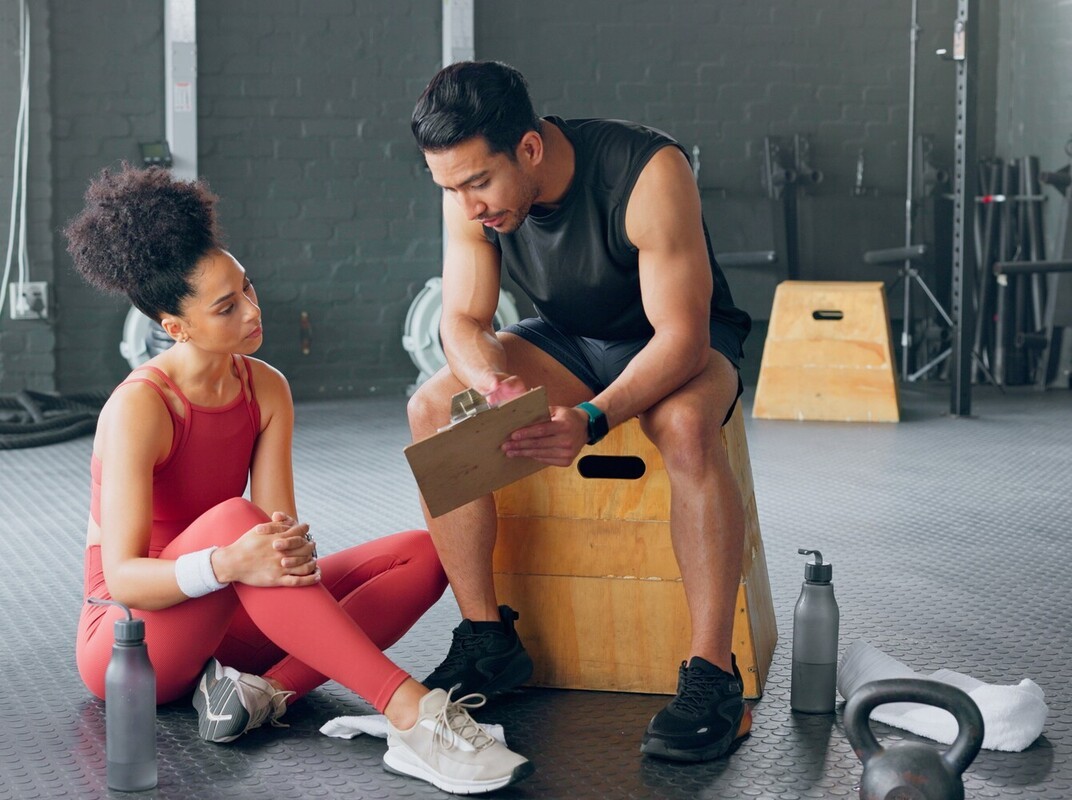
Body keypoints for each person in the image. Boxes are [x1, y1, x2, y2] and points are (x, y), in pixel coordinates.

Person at [66, 164, 533, 795]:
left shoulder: (266, 388)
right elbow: (124, 577)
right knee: (237, 521)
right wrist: (232, 560)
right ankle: (412, 715)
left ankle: (261, 696)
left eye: (249, 290)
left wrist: (275, 553)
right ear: (175, 327)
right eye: (228, 307)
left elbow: (277, 531)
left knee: (426, 554)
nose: (254, 312)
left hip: (228, 615)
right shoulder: (140, 407)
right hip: (132, 641)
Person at [408, 61, 754, 763]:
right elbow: (464, 319)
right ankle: (487, 640)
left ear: (529, 149)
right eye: (450, 187)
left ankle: (713, 672)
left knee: (683, 426)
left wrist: (594, 418)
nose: (469, 205)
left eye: (478, 183)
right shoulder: (466, 192)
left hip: (679, 338)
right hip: (572, 341)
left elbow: (681, 338)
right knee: (435, 404)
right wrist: (491, 384)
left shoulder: (648, 170)